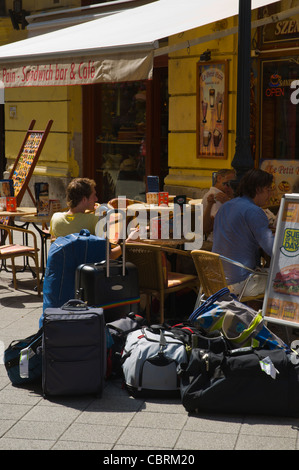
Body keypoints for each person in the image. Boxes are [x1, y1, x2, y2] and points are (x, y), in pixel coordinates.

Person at [212, 168, 275, 297]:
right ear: (258, 189)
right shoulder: (254, 211)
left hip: (215, 281)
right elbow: (272, 249)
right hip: (240, 283)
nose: (270, 195)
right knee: (288, 279)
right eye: (268, 190)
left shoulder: (226, 206)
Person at [50, 178, 136, 259]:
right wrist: (128, 242)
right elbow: (109, 255)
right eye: (94, 195)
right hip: (86, 271)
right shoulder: (94, 220)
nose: (96, 199)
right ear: (84, 199)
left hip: (64, 270)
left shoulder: (55, 218)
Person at [202, 169, 235, 241]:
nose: (229, 187)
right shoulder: (217, 196)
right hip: (218, 240)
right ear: (219, 178)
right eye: (227, 183)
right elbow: (211, 225)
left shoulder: (224, 195)